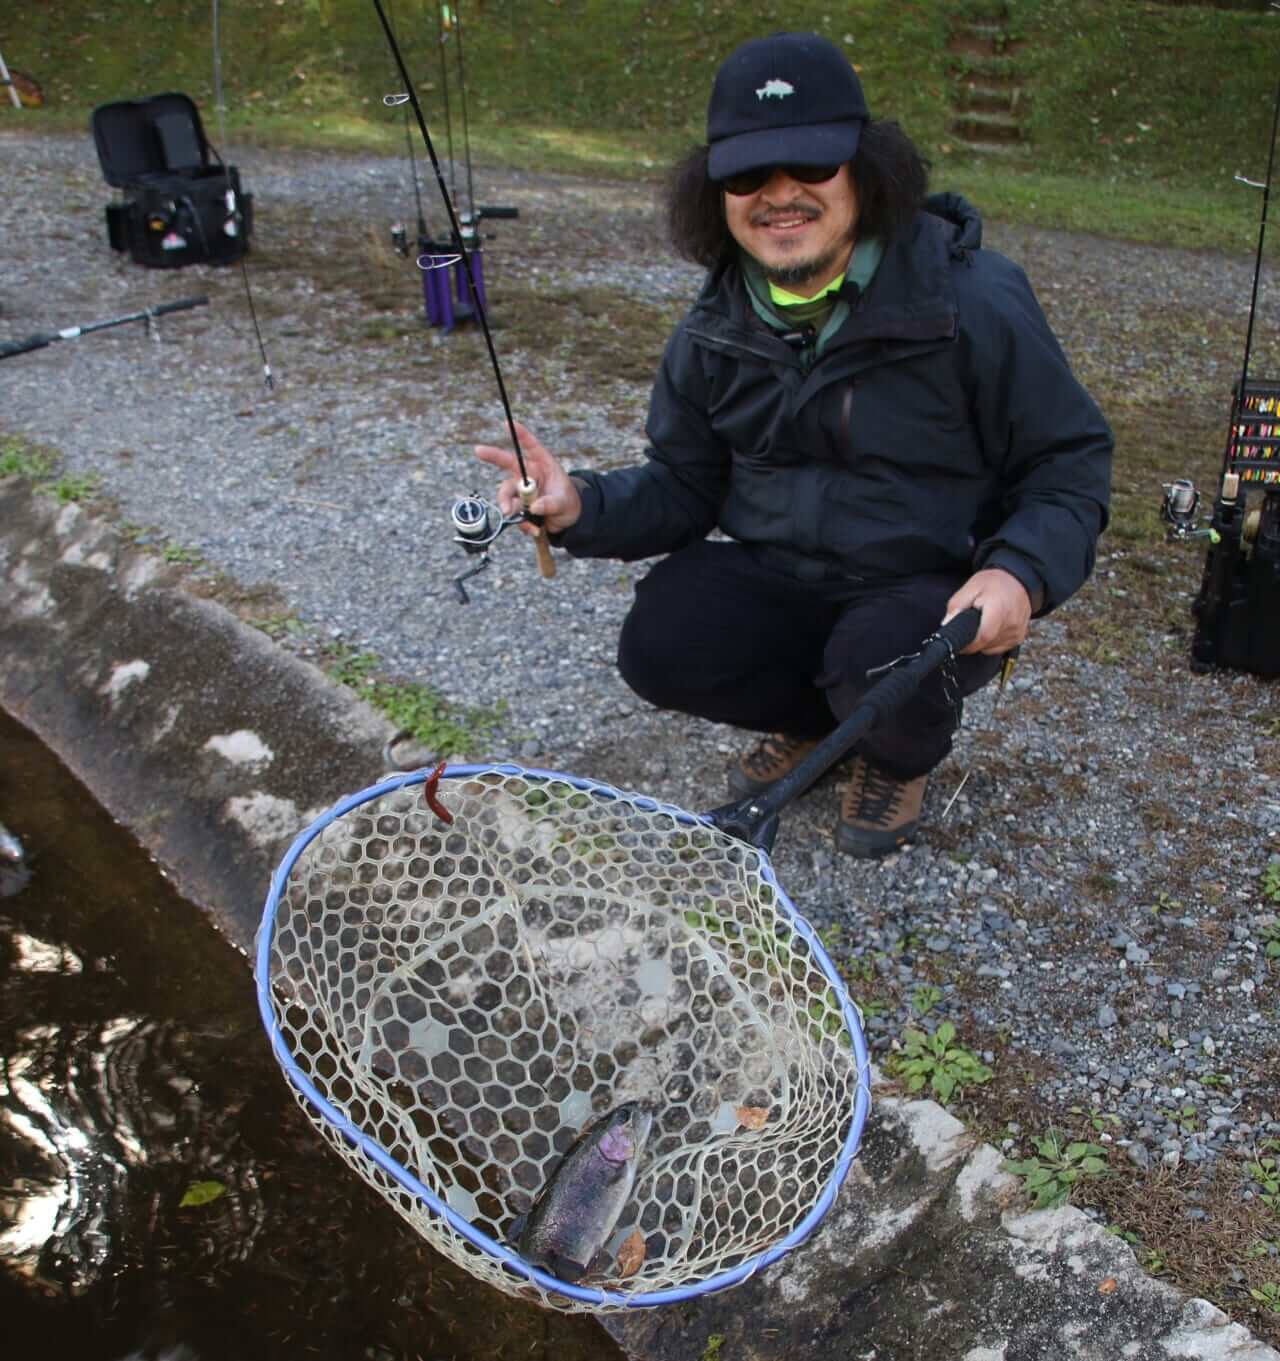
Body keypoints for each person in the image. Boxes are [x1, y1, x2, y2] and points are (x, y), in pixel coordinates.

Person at [476, 31, 1112, 857]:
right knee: (662, 639)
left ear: (864, 167)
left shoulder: (976, 299)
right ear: (714, 192)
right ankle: (818, 723)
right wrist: (579, 505)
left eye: (810, 165)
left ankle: (897, 752)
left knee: (880, 660)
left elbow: (1068, 464)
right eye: (747, 174)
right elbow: (683, 485)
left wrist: (1017, 570)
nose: (779, 194)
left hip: (921, 591)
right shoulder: (711, 325)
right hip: (785, 574)